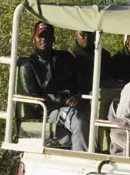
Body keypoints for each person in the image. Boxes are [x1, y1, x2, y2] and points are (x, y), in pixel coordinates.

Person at [20, 22, 89, 151]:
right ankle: (81, 160)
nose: (44, 39)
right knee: (78, 119)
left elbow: (81, 83)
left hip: (72, 107)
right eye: (40, 36)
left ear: (53, 39)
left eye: (47, 36)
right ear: (34, 39)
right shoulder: (28, 65)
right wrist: (62, 101)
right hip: (48, 112)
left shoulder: (65, 58)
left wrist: (79, 97)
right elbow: (33, 99)